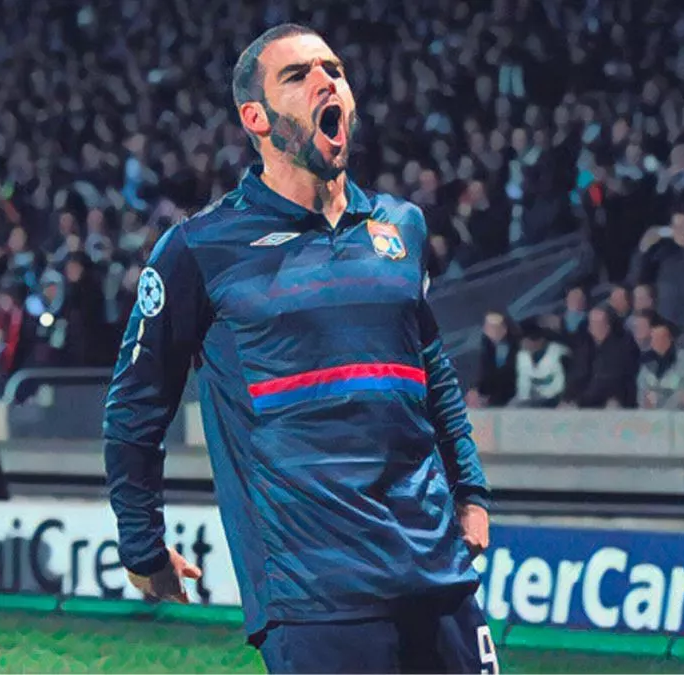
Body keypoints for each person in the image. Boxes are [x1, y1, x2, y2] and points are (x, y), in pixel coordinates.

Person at [103, 24, 494, 675]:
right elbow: (135, 406)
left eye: (333, 69)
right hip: (317, 601)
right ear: (254, 117)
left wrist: (471, 489)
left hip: (439, 574)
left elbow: (432, 371)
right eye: (298, 75)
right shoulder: (200, 249)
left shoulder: (400, 227)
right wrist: (143, 545)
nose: (326, 81)